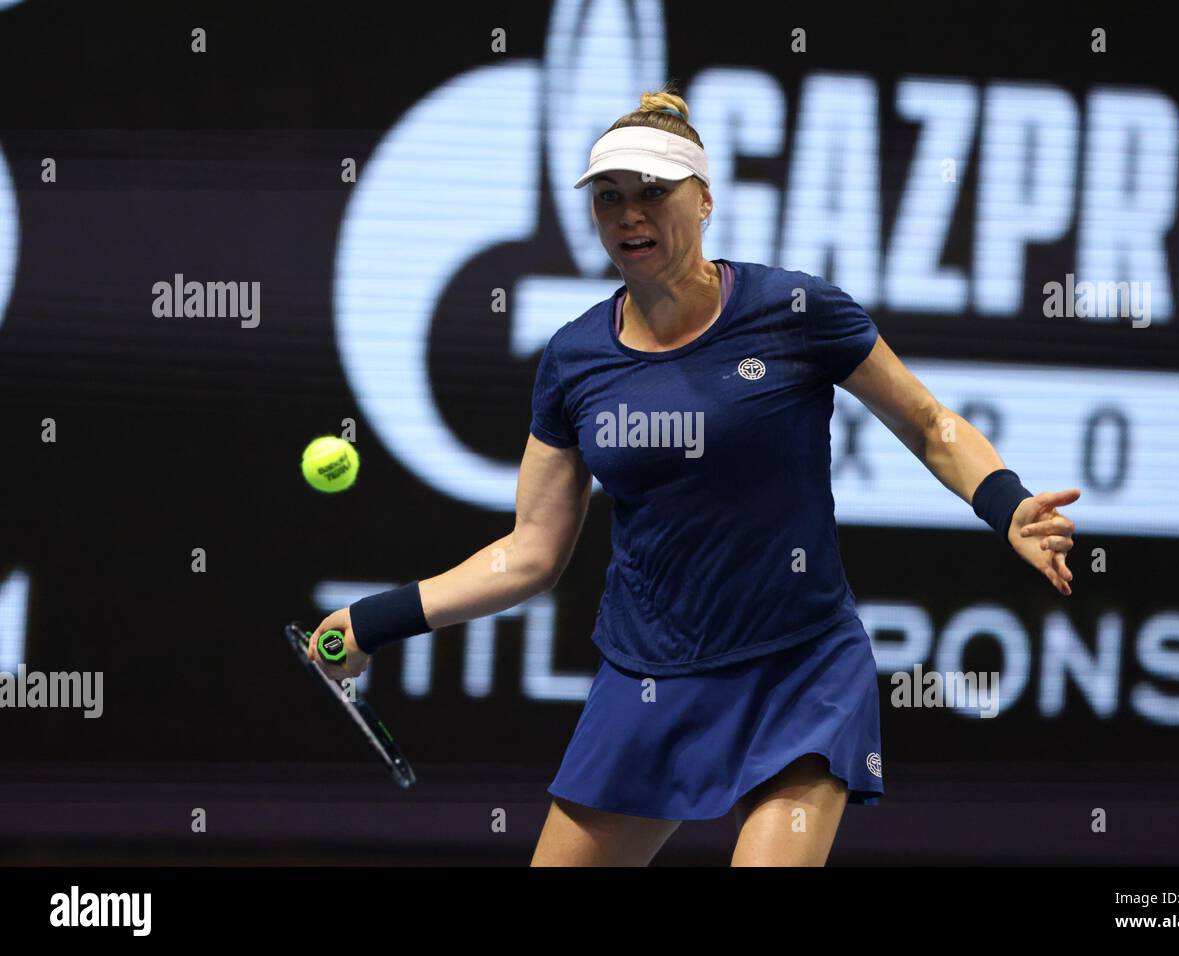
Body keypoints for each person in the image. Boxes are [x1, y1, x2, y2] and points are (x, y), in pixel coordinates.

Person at [308, 85, 1079, 867]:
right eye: (610, 198)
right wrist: (376, 620)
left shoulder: (797, 311)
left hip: (799, 667)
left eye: (653, 193)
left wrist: (1007, 504)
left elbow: (928, 423)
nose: (629, 214)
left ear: (705, 199)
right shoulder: (575, 360)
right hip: (648, 674)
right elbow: (531, 553)